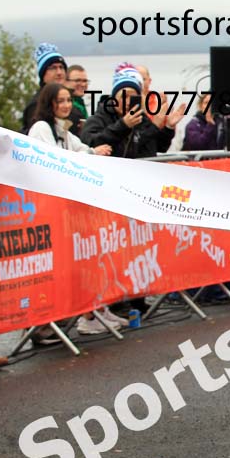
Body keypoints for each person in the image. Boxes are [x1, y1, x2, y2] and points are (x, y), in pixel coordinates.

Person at [26, 83, 126, 335]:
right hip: (46, 211)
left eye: (68, 100)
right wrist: (90, 153)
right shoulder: (42, 128)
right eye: (60, 101)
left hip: (67, 212)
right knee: (51, 270)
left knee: (82, 264)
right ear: (49, 104)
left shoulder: (65, 131)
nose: (66, 105)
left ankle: (92, 312)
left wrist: (95, 151)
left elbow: (82, 149)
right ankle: (46, 325)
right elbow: (53, 160)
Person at [81, 63, 185, 158]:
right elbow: (91, 142)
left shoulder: (141, 118)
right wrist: (124, 125)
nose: (128, 102)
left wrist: (168, 128)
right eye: (124, 96)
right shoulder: (98, 118)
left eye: (133, 97)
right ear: (113, 99)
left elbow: (159, 147)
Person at [22, 43, 84, 134]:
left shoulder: (72, 100)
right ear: (43, 74)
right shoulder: (37, 104)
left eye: (61, 67)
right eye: (53, 68)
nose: (59, 72)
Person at [64, 64, 90, 137]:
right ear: (66, 82)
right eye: (77, 80)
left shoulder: (80, 103)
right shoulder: (67, 107)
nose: (82, 84)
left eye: (85, 81)